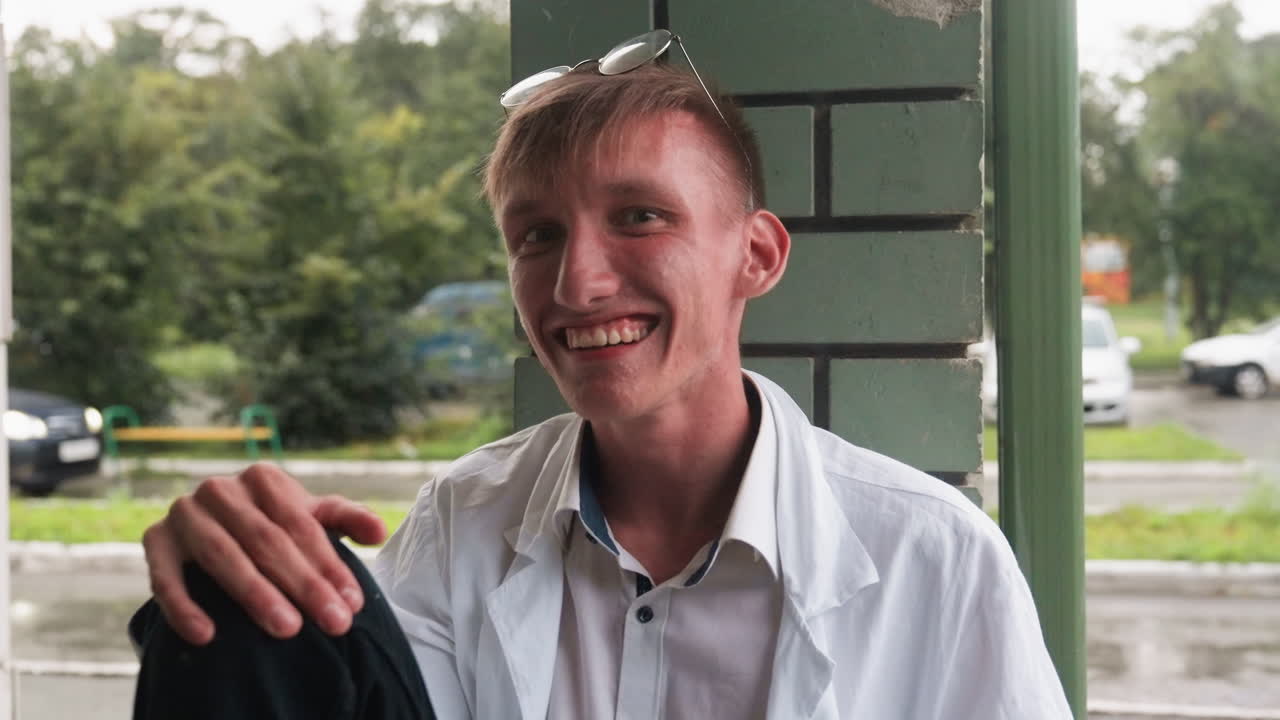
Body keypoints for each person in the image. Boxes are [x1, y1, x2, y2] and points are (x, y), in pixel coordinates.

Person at [133, 30, 1072, 720]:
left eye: (640, 217)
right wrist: (235, 567)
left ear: (755, 255)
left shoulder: (933, 557)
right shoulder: (463, 522)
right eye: (537, 235)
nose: (576, 283)